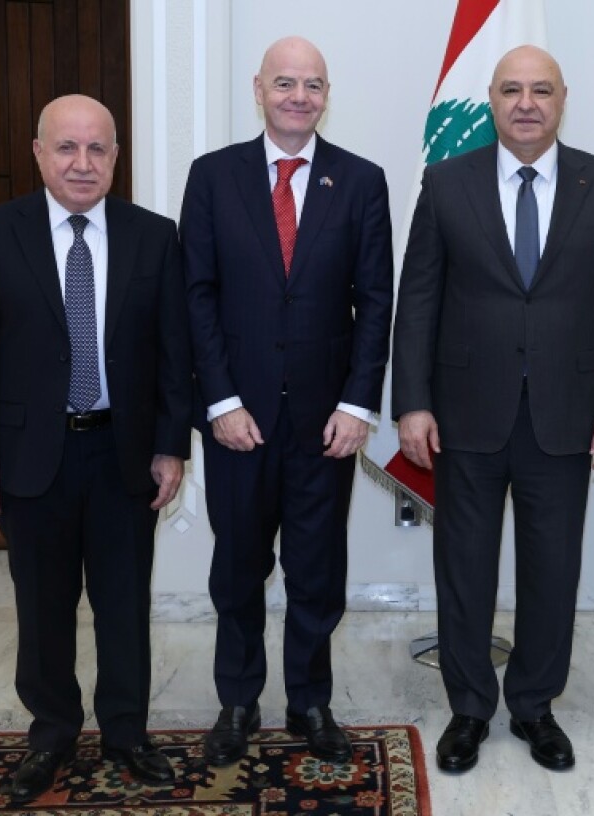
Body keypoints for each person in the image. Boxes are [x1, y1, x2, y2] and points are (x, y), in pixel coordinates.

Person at [392, 45, 594, 773]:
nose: (526, 103)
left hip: (567, 417)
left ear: (562, 99)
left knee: (552, 570)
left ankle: (534, 704)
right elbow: (418, 304)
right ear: (493, 101)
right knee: (464, 570)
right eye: (511, 90)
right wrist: (411, 402)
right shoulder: (445, 184)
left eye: (540, 90)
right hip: (466, 413)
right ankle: (469, 708)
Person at [0, 94, 192, 804]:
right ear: (38, 153)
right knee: (44, 606)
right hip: (33, 458)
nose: (83, 163)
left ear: (116, 157)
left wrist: (171, 446)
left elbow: (173, 356)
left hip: (124, 455)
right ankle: (52, 732)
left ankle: (126, 731)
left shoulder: (154, 236)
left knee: (124, 605)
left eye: (97, 149)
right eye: (67, 148)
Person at [180, 36, 393, 767]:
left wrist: (359, 406)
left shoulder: (361, 182)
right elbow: (196, 297)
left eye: (312, 84)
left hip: (323, 424)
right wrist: (221, 402)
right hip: (239, 423)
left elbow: (377, 301)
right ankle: (237, 702)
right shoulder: (212, 178)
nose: (299, 96)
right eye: (285, 83)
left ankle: (309, 702)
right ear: (258, 89)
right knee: (237, 571)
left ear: (327, 94)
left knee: (316, 572)